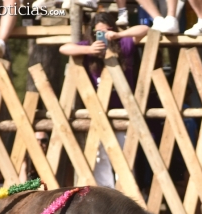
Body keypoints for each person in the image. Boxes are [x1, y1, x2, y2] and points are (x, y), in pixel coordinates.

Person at [60, 13, 148, 187]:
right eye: (98, 31)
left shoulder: (124, 44)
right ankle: (106, 193)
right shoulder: (89, 46)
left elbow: (145, 29)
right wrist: (89, 50)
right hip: (97, 110)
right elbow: (64, 48)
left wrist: (119, 35)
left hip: (122, 110)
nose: (102, 35)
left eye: (106, 30)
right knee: (100, 156)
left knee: (125, 155)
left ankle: (127, 191)